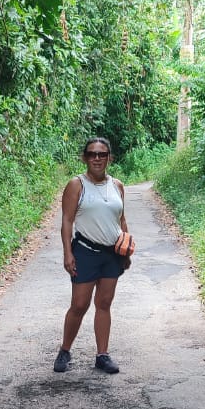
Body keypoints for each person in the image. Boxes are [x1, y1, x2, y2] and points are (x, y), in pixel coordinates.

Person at [53, 137, 129, 374]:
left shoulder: (117, 185)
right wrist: (68, 253)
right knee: (79, 304)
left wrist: (126, 246)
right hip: (85, 251)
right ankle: (65, 350)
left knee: (104, 303)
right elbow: (66, 220)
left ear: (109, 158)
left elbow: (121, 218)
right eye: (92, 154)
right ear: (85, 157)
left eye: (102, 154)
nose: (97, 158)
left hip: (111, 254)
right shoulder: (77, 185)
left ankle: (102, 355)